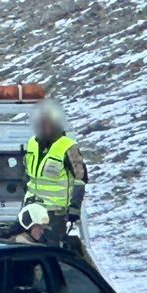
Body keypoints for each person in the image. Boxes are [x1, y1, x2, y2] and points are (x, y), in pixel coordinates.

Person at [21, 99, 88, 241]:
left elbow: (80, 180)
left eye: (48, 123)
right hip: (32, 210)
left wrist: (74, 209)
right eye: (41, 123)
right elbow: (28, 175)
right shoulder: (32, 143)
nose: (44, 127)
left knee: (51, 250)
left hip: (55, 214)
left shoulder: (68, 147)